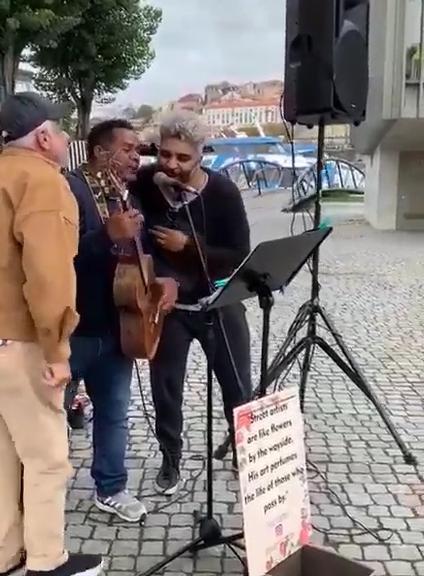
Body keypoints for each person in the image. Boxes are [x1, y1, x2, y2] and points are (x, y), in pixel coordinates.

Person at [0, 93, 103, 576]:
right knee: (46, 459)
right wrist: (58, 349)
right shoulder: (41, 181)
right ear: (43, 137)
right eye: (61, 132)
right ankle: (46, 561)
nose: (65, 139)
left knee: (2, 461)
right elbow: (49, 274)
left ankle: (6, 555)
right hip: (20, 343)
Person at [130, 110, 252, 495]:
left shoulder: (223, 192)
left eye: (183, 158)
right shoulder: (148, 183)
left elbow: (238, 253)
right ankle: (170, 458)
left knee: (237, 385)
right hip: (169, 308)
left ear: (200, 156)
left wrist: (190, 245)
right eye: (165, 154)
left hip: (218, 300)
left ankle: (246, 454)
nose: (172, 164)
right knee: (166, 388)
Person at [66, 119, 178, 523]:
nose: (137, 157)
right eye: (128, 149)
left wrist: (161, 279)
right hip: (73, 327)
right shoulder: (70, 190)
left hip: (119, 324)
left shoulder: (124, 194)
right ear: (100, 152)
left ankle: (110, 487)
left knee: (114, 412)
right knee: (50, 415)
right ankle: (28, 494)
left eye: (137, 150)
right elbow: (56, 257)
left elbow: (140, 251)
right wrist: (104, 236)